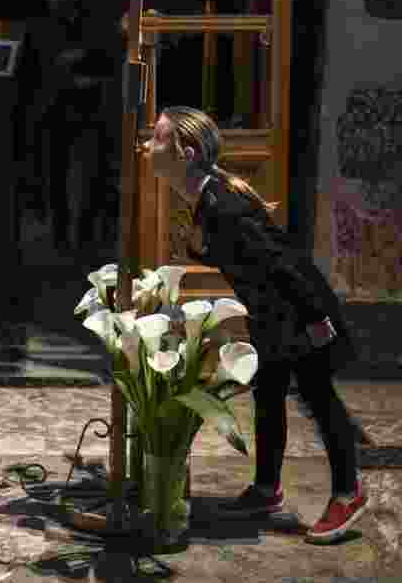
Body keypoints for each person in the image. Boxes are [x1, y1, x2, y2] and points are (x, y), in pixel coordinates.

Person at [143, 106, 370, 544]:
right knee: (268, 396)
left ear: (186, 153)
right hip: (270, 312)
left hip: (297, 311)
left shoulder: (222, 204)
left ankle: (349, 491)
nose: (147, 145)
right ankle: (267, 488)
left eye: (157, 137)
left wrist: (316, 319)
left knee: (321, 401)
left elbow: (280, 263)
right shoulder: (206, 198)